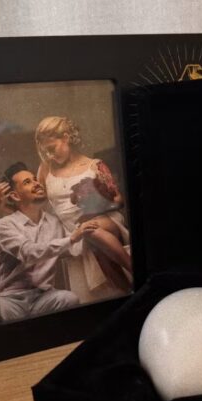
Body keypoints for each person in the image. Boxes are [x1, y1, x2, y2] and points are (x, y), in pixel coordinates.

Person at [34, 116, 132, 292]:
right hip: (72, 229)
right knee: (94, 243)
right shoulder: (45, 169)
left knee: (89, 229)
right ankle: (128, 289)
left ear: (66, 138)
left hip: (106, 221)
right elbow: (37, 204)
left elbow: (119, 200)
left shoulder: (95, 165)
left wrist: (95, 202)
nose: (49, 155)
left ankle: (135, 270)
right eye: (45, 152)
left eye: (51, 149)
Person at [0, 162, 97, 322]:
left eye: (35, 179)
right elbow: (28, 252)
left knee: (69, 299)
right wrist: (72, 238)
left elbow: (73, 248)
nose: (37, 183)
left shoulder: (54, 222)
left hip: (44, 297)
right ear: (15, 196)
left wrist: (93, 230)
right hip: (11, 300)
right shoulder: (4, 225)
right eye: (27, 182)